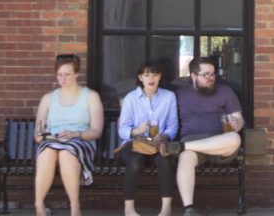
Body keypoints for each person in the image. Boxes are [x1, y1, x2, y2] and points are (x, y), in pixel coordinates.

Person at [159, 57, 243, 216]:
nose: (211, 78)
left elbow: (238, 119)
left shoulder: (225, 92)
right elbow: (165, 119)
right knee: (186, 157)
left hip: (220, 145)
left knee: (235, 138)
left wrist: (236, 124)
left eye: (213, 74)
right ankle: (189, 209)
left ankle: (181, 147)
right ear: (193, 76)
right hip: (192, 143)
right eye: (206, 75)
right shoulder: (179, 95)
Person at [34, 54, 104, 216]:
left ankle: (74, 207)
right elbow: (38, 132)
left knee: (66, 153)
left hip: (80, 140)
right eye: (59, 75)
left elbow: (96, 131)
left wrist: (75, 134)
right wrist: (44, 136)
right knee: (47, 153)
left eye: (67, 74)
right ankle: (39, 206)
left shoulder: (91, 96)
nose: (63, 79)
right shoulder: (48, 98)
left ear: (77, 74)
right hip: (52, 140)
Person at [118, 61, 179, 216]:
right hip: (135, 144)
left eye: (155, 74)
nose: (151, 78)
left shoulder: (169, 96)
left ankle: (166, 209)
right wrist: (135, 130)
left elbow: (173, 125)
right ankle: (129, 209)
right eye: (147, 75)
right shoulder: (131, 98)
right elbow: (122, 129)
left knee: (164, 161)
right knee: (135, 161)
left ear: (159, 77)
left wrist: (165, 135)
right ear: (140, 77)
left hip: (158, 144)